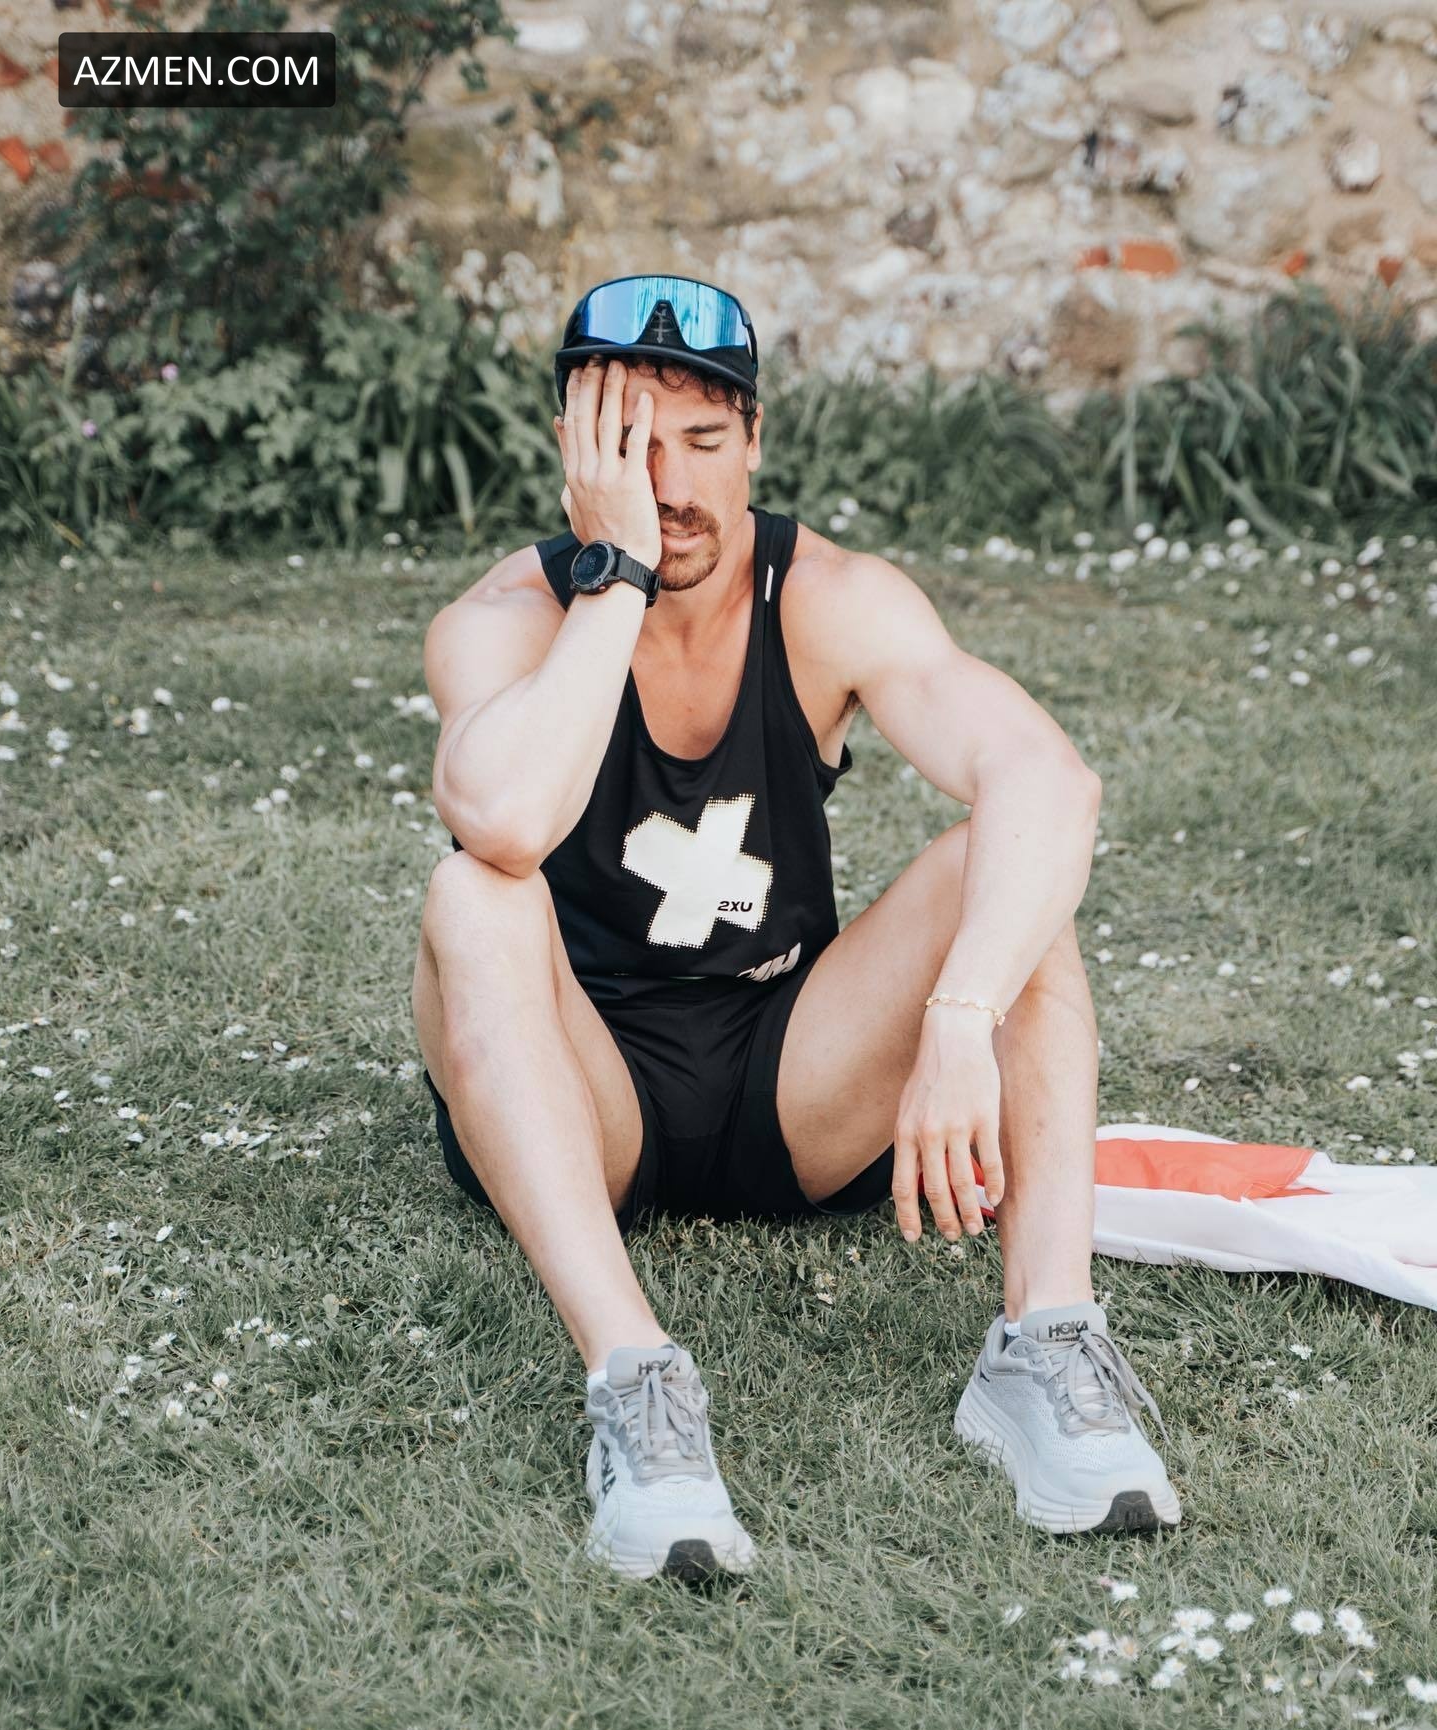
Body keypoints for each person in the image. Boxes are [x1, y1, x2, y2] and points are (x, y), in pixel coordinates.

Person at [412, 273, 1181, 1582]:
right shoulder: (503, 620)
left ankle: (1044, 1346)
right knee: (470, 896)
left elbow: (1051, 781)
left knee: (1009, 877)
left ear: (756, 441)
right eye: (630, 447)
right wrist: (616, 576)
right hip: (579, 1096)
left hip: (794, 1081)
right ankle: (639, 1389)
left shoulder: (828, 596)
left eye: (703, 441)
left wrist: (960, 1025)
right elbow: (504, 821)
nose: (670, 485)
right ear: (575, 457)